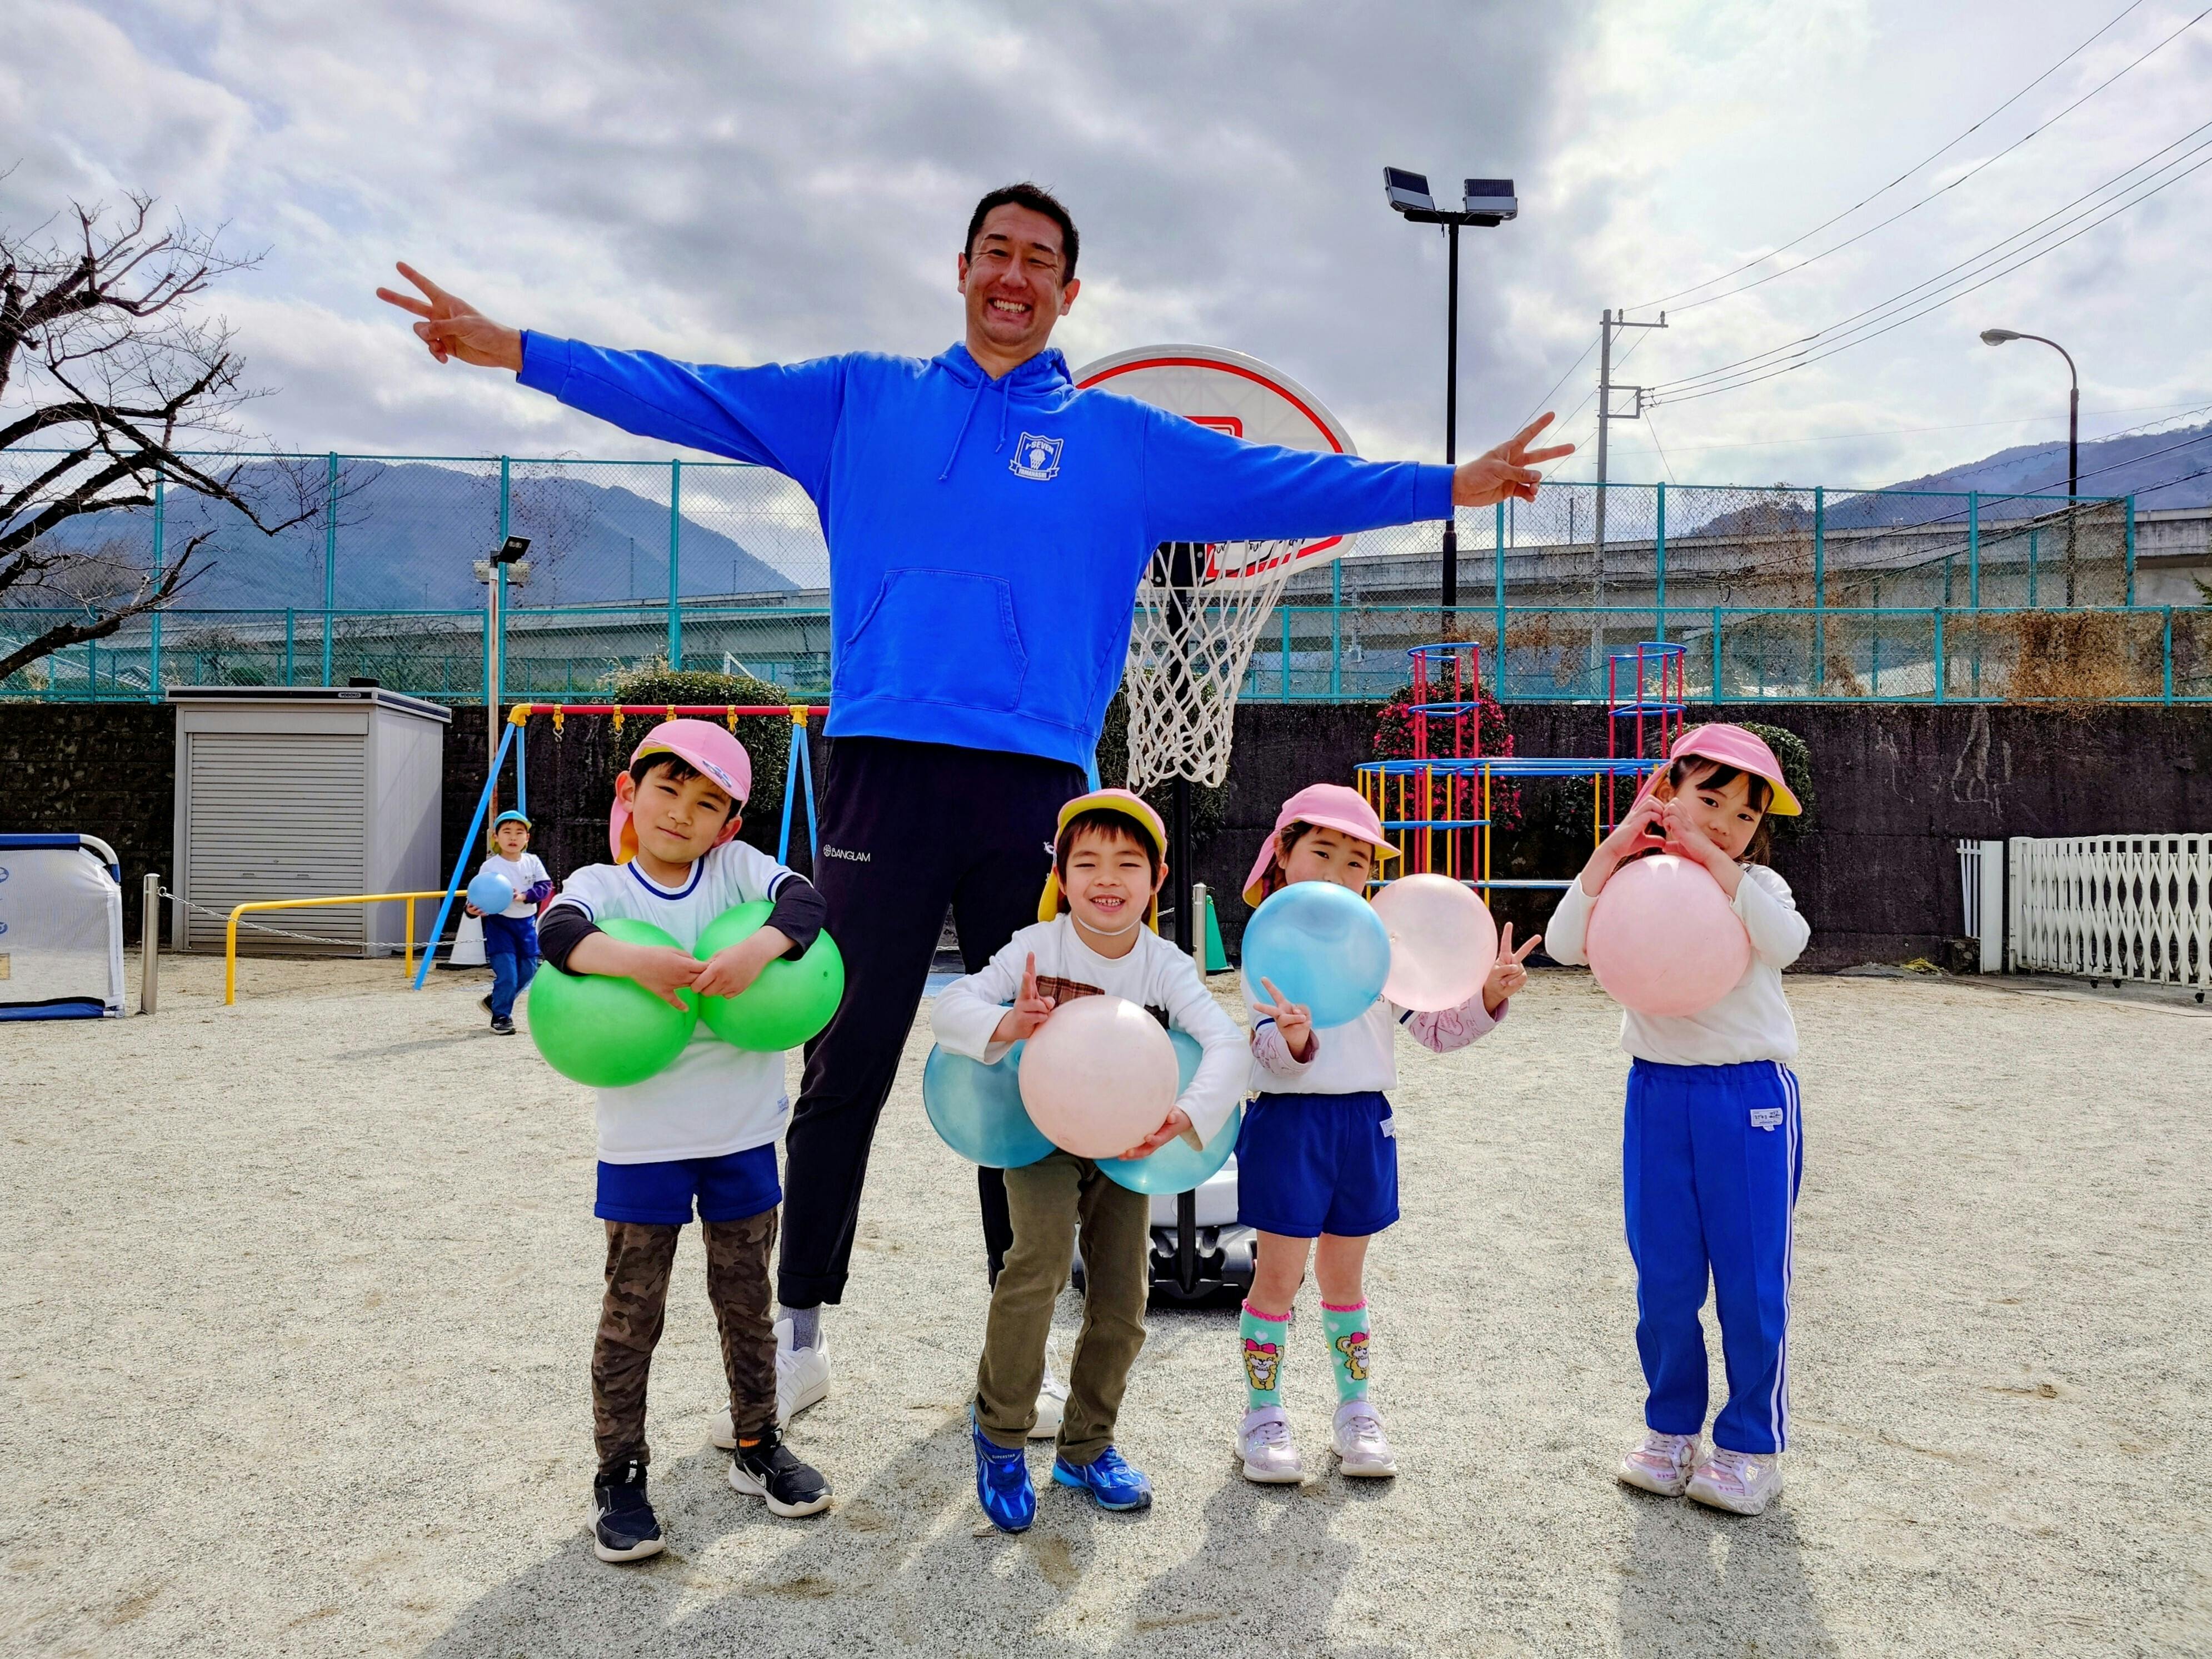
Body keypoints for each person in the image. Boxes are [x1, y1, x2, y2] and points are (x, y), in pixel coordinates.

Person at [376, 181, 1572, 1409]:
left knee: (1038, 1051)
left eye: (1039, 259)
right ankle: (800, 1323)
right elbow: (688, 390)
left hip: (1034, 783)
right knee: (845, 1052)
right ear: (961, 268)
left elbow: (1289, 483)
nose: (1014, 274)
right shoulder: (860, 399)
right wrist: (516, 350)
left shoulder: (1120, 442)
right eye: (995, 251)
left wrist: (1451, 485)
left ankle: (1021, 1339)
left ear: (1069, 290)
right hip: (884, 765)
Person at [535, 719, 836, 1561]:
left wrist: (759, 950)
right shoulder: (602, 885)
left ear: (727, 824)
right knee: (633, 1312)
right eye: (667, 790)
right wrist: (635, 963)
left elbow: (806, 903)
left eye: (706, 804)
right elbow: (557, 934)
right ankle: (619, 1474)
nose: (681, 813)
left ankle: (757, 1443)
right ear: (629, 793)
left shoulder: (737, 870)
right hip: (643, 1143)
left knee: (746, 1304)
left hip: (742, 1135)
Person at [930, 790, 1246, 1532]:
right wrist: (1009, 1020)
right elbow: (949, 1010)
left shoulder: (1164, 964)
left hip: (1125, 1146)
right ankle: (1001, 1435)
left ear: (1157, 878)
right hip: (1040, 1136)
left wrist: (1185, 1114)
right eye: (1088, 862)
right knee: (1036, 1267)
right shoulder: (1035, 945)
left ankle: (1087, 1444)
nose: (1107, 878)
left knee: (1124, 1298)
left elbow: (1226, 1042)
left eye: (1128, 864)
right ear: (1062, 876)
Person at [1234, 785, 1537, 1484]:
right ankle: (1262, 1417)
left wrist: (1488, 994)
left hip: (1364, 1125)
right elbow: (1264, 1051)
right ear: (1282, 856)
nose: (1339, 872)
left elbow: (1434, 1029)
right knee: (1278, 1278)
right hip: (1289, 1125)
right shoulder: (1271, 942)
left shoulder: (1380, 950)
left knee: (1345, 1279)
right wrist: (1294, 1038)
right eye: (1322, 853)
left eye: (1356, 861)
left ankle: (1356, 1412)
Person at [1541, 725, 1809, 1517]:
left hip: (1750, 1097)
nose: (1725, 822)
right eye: (1709, 799)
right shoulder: (1634, 881)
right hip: (1657, 1091)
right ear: (1668, 793)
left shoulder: (1759, 887)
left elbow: (1787, 943)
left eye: (1745, 815)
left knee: (1750, 1281)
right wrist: (1616, 847)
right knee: (1663, 1277)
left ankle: (1751, 1446)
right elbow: (1564, 943)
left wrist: (1716, 862)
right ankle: (1670, 1432)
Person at [467, 809, 551, 1034]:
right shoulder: (490, 867)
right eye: (507, 832)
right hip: (500, 925)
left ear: (527, 838)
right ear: (496, 837)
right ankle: (501, 1016)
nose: (513, 837)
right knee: (508, 974)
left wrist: (524, 896)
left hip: (527, 925)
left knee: (528, 970)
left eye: (519, 832)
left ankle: (495, 1000)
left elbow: (545, 887)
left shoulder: (533, 862)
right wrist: (471, 910)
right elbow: (477, 895)